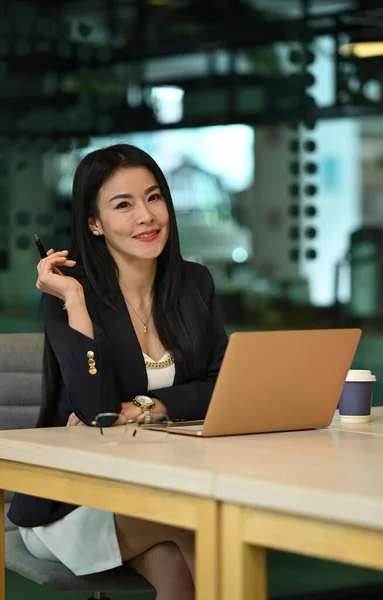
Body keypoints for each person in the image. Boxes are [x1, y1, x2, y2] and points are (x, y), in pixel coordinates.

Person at [8, 144, 228, 599]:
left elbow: (220, 388)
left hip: (160, 482)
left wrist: (146, 407)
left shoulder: (194, 286)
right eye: (123, 205)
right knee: (199, 525)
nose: (145, 216)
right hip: (72, 501)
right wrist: (73, 301)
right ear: (94, 223)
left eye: (153, 198)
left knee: (176, 569)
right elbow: (96, 411)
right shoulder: (69, 295)